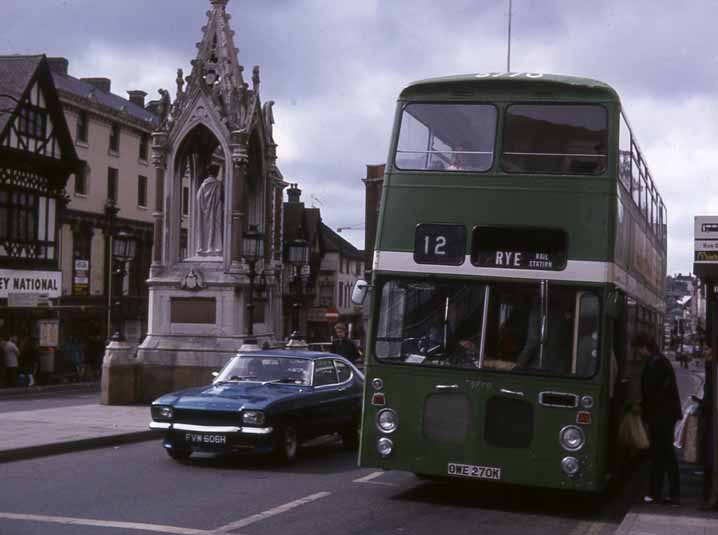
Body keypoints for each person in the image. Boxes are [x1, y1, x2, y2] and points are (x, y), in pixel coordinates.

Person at [633, 332, 682, 506]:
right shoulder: (659, 361)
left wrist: (642, 405)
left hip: (662, 416)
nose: (638, 354)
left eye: (638, 350)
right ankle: (664, 493)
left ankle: (662, 494)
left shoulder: (656, 363)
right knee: (663, 454)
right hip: (664, 415)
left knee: (662, 455)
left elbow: (654, 393)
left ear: (645, 347)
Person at [699, 342, 716, 508]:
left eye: (706, 348)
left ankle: (711, 497)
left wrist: (702, 403)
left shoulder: (712, 368)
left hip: (712, 418)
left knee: (710, 457)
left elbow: (711, 396)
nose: (703, 352)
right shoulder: (710, 367)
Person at [196, 165, 224, 255]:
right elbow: (221, 196)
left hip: (204, 212)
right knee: (216, 227)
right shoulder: (218, 184)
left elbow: (198, 198)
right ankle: (216, 248)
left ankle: (203, 248)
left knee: (204, 228)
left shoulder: (203, 185)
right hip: (216, 210)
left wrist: (204, 208)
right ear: (216, 173)